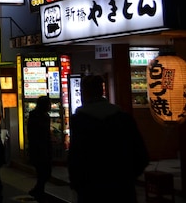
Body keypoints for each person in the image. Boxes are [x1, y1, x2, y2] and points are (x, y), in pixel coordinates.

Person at [68, 74, 149, 202]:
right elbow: (141, 155)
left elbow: (75, 158)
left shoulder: (79, 121)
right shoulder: (124, 118)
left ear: (84, 93)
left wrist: (78, 184)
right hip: (122, 189)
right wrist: (128, 177)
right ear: (102, 91)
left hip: (91, 190)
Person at [27, 95, 52, 201]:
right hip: (41, 148)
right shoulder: (42, 117)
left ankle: (38, 190)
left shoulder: (34, 116)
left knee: (42, 172)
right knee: (44, 172)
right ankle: (38, 191)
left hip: (37, 148)